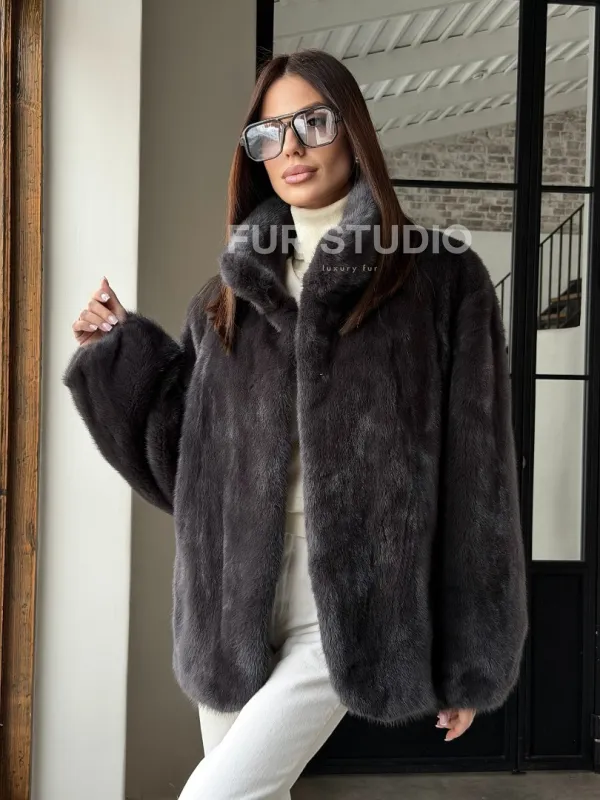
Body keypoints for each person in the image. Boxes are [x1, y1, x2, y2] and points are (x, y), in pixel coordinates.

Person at [63, 49, 528, 799]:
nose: (291, 147)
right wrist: (118, 355)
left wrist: (472, 654)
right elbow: (186, 467)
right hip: (230, 600)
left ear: (353, 131)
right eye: (268, 133)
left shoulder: (439, 279)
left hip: (349, 601)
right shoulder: (228, 297)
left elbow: (480, 478)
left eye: (313, 122)